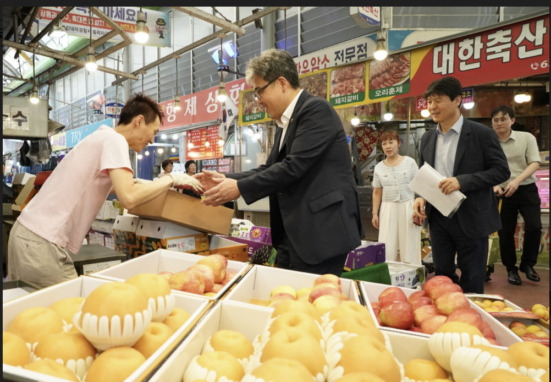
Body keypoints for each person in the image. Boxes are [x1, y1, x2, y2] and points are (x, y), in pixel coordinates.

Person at [7, 93, 203, 289]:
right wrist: (171, 178)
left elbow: (118, 186)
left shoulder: (102, 136)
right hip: (40, 243)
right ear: (139, 121)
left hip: (28, 235)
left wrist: (164, 184)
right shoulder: (115, 140)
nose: (152, 140)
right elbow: (129, 197)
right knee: (71, 311)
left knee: (33, 313)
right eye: (154, 131)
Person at [197, 48, 363, 276]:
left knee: (312, 304)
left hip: (321, 234)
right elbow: (270, 168)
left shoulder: (316, 110)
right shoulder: (287, 122)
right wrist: (226, 179)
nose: (258, 101)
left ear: (282, 83)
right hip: (295, 234)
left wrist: (238, 188)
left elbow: (293, 167)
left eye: (259, 92)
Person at [412, 76, 510, 294]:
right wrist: (419, 196)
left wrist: (462, 181)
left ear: (457, 100)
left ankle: (472, 321)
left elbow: (501, 171)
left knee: (473, 277)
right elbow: (424, 172)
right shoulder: (427, 138)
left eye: (437, 100)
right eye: (429, 101)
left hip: (471, 216)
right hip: (438, 218)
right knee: (442, 276)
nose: (432, 107)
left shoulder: (481, 134)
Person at [491, 105, 541, 285]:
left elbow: (535, 163)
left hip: (526, 188)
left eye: (503, 119)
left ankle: (528, 264)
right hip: (502, 192)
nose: (499, 123)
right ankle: (511, 268)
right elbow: (484, 166)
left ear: (512, 120)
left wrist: (517, 181)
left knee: (535, 226)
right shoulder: (489, 141)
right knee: (505, 232)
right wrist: (495, 185)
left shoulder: (526, 138)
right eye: (495, 120)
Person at [372, 131, 421, 265]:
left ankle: (413, 280)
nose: (388, 146)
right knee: (386, 244)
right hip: (387, 207)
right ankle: (386, 277)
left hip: (408, 205)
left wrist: (421, 208)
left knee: (410, 244)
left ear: (398, 143)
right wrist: (375, 213)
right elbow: (377, 191)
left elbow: (420, 185)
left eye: (391, 142)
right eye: (384, 143)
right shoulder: (379, 168)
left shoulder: (410, 163)